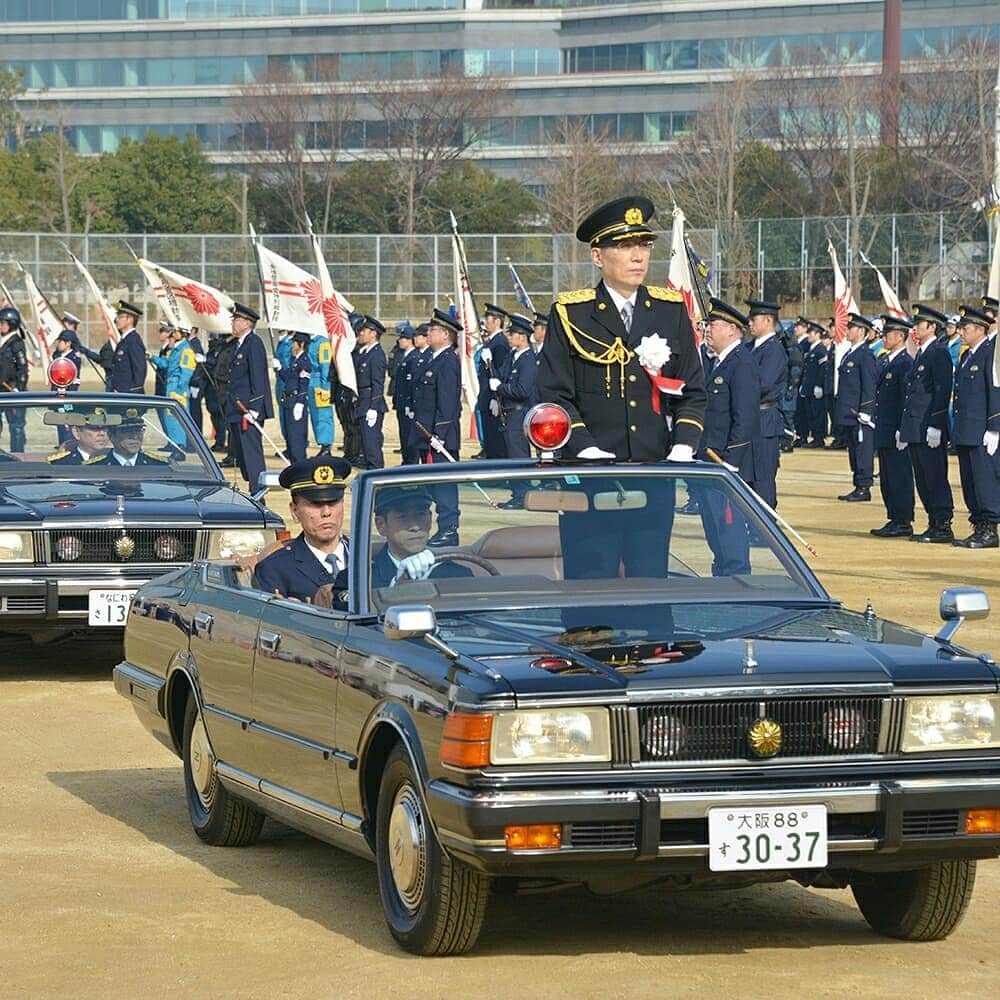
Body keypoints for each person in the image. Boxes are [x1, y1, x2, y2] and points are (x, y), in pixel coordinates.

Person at [538, 195, 706, 463]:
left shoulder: (670, 310)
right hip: (590, 466)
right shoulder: (571, 314)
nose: (638, 256)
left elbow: (692, 389)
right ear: (597, 256)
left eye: (644, 245)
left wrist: (683, 445)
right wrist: (584, 447)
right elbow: (554, 392)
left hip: (657, 465)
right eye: (625, 246)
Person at [694, 298, 761, 576]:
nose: (707, 329)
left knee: (728, 526)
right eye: (707, 324)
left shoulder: (741, 363)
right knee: (714, 526)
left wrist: (731, 460)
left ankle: (736, 576)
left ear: (733, 330)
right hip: (710, 460)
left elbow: (744, 417)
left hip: (726, 463)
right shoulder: (719, 363)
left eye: (713, 324)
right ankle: (722, 573)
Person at [253, 456, 352, 605]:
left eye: (333, 503)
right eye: (315, 504)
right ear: (295, 511)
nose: (326, 512)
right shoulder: (274, 569)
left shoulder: (368, 558)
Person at [900, 303, 955, 543]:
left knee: (934, 475)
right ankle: (933, 520)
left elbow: (942, 390)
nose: (914, 328)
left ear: (932, 327)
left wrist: (937, 423)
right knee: (922, 477)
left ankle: (942, 523)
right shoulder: (922, 352)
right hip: (916, 425)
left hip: (929, 425)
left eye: (918, 324)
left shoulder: (939, 353)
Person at [412, 309, 463, 547]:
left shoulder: (448, 361)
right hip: (426, 433)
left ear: (445, 334)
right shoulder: (433, 359)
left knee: (443, 484)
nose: (428, 333)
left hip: (439, 436)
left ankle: (449, 529)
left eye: (432, 330)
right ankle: (443, 528)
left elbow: (448, 402)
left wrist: (440, 434)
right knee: (433, 483)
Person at [949, 304, 999, 548]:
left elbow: (995, 389)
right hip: (966, 429)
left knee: (984, 480)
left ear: (980, 329)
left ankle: (990, 528)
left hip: (982, 430)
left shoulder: (991, 353)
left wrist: (994, 426)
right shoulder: (968, 355)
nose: (961, 332)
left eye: (965, 328)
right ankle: (978, 524)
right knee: (970, 481)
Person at [370, 486, 474, 589]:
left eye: (421, 514)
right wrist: (395, 586)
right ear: (381, 525)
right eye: (402, 517)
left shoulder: (457, 575)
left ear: (430, 520)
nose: (415, 527)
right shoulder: (365, 577)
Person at [870, 315, 916, 538]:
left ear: (900, 337)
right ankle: (894, 517)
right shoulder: (888, 361)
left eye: (888, 334)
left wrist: (903, 429)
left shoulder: (904, 364)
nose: (884, 338)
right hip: (885, 428)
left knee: (900, 476)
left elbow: (905, 400)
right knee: (888, 477)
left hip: (896, 430)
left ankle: (903, 519)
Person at [225, 301, 274, 489]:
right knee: (242, 455)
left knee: (252, 455)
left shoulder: (254, 343)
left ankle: (258, 493)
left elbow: (259, 378)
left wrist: (254, 408)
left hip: (248, 409)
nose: (233, 323)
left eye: (236, 319)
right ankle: (252, 487)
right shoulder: (238, 344)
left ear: (247, 323)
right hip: (237, 408)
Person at [744, 298, 788, 507]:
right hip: (750, 418)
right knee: (749, 474)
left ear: (768, 320)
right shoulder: (750, 347)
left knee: (762, 476)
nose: (749, 323)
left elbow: (764, 383)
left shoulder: (774, 349)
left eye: (754, 319)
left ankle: (766, 525)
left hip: (765, 420)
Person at [494, 312, 540, 509]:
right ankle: (517, 493)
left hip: (519, 412)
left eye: (512, 334)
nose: (509, 337)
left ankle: (522, 495)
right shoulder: (513, 356)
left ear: (522, 337)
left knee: (519, 457)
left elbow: (522, 390)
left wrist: (500, 388)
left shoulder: (528, 360)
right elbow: (502, 375)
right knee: (511, 456)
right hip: (509, 412)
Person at [833, 313, 879, 502]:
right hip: (849, 412)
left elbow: (869, 384)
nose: (847, 331)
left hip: (860, 413)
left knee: (862, 450)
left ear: (861, 331)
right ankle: (857, 484)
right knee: (854, 450)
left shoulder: (865, 355)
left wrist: (866, 410)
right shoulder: (850, 353)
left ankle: (864, 486)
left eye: (851, 328)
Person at [148, 325, 196, 454]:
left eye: (176, 332)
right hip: (171, 385)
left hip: (177, 388)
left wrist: (179, 389)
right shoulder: (176, 349)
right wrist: (152, 357)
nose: (173, 334)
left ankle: (179, 447)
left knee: (176, 419)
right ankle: (175, 444)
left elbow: (187, 371)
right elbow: (166, 364)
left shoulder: (185, 350)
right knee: (170, 418)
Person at [476, 303, 512, 459]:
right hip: (486, 397)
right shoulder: (492, 342)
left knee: (496, 442)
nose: (485, 322)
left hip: (494, 399)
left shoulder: (500, 343)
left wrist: (495, 398)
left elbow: (500, 373)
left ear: (497, 321)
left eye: (488, 318)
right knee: (490, 440)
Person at [354, 315, 388, 470]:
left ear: (373, 333)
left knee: (372, 446)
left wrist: (374, 406)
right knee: (366, 446)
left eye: (364, 330)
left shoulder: (377, 355)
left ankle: (377, 476)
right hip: (362, 403)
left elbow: (378, 383)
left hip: (370, 404)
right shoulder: (363, 353)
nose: (360, 333)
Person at [276, 331, 312, 463]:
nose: (292, 346)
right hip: (288, 401)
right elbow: (288, 378)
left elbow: (304, 384)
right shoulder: (295, 360)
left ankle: (299, 464)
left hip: (296, 401)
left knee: (296, 438)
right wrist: (279, 369)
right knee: (290, 437)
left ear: (301, 344)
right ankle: (293, 463)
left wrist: (300, 402)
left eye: (294, 343)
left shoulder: (304, 361)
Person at [86, 411, 168, 467]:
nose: (135, 436)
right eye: (127, 431)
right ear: (111, 436)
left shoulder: (158, 465)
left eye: (138, 431)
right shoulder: (95, 467)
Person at [0, 306, 29, 452]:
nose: (0, 325)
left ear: (11, 324)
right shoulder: (3, 341)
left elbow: (22, 368)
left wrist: (19, 389)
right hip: (1, 390)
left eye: (2, 322)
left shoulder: (16, 343)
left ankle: (18, 456)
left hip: (12, 390)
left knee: (16, 427)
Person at [799, 321, 828, 447]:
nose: (808, 335)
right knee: (810, 413)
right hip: (808, 387)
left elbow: (823, 369)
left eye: (811, 333)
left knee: (817, 413)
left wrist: (819, 385)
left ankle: (818, 438)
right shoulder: (812, 349)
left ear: (817, 334)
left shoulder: (820, 349)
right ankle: (814, 437)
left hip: (815, 387)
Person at [109, 300, 148, 394]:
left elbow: (140, 368)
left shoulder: (133, 340)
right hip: (119, 392)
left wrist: (133, 393)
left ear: (130, 319)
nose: (116, 320)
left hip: (128, 394)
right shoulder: (124, 340)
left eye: (120, 317)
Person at [392, 324, 417, 465]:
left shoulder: (414, 357)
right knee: (404, 434)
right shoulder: (404, 356)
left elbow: (411, 384)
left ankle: (410, 463)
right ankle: (406, 461)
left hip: (408, 403)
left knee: (409, 436)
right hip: (402, 403)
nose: (400, 341)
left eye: (404, 338)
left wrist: (410, 404)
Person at [307, 332, 334, 457]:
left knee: (323, 415)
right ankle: (321, 443)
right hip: (309, 380)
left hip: (319, 382)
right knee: (314, 415)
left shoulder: (322, 343)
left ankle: (326, 445)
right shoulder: (308, 341)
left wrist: (325, 387)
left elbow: (325, 366)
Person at [203, 331, 229, 453]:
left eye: (213, 337)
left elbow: (219, 365)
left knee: (221, 417)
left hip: (219, 387)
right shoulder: (212, 350)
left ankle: (223, 441)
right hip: (210, 387)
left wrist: (207, 361)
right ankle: (218, 441)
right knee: (214, 414)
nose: (210, 340)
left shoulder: (223, 349)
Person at [780, 319, 803, 453]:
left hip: (788, 388)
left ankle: (789, 442)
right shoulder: (785, 346)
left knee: (788, 417)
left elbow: (795, 371)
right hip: (783, 386)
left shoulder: (793, 348)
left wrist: (790, 387)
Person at [791, 317, 811, 446]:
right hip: (798, 382)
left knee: (803, 412)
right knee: (798, 411)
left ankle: (802, 435)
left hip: (803, 381)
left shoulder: (806, 344)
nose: (795, 329)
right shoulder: (797, 342)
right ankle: (799, 435)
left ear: (805, 329)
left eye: (799, 327)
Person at [186, 327, 208, 434]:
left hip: (195, 383)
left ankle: (197, 434)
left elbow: (200, 366)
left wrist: (195, 382)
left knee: (195, 411)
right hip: (191, 382)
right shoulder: (189, 343)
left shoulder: (194, 344)